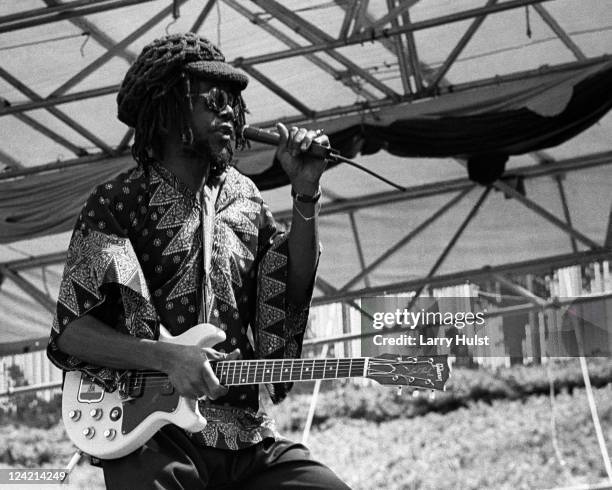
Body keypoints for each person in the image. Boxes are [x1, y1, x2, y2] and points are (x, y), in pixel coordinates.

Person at [47, 32, 350, 489]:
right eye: (212, 99)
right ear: (166, 110)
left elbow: (291, 285)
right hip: (155, 436)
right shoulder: (118, 201)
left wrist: (306, 190)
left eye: (232, 101)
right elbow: (73, 332)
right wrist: (168, 357)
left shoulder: (245, 198)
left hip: (245, 434)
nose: (228, 110)